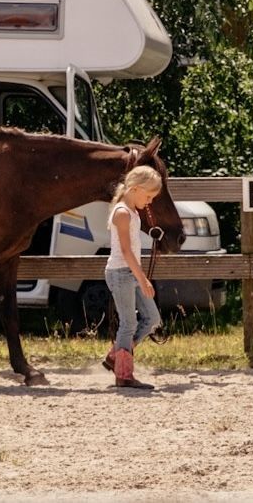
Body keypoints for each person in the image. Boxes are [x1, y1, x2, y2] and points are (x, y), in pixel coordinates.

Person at [101, 165, 164, 390]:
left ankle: (116, 356)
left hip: (130, 272)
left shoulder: (133, 212)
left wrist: (139, 276)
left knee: (152, 319)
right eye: (148, 196)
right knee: (129, 323)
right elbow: (126, 252)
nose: (149, 201)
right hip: (121, 273)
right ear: (136, 189)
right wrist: (143, 278)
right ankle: (124, 375)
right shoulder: (122, 213)